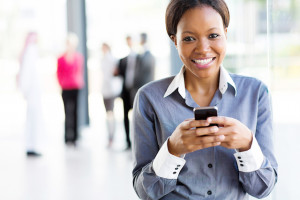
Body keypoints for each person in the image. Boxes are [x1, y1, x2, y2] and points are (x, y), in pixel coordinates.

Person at [132, 0, 278, 199]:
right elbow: (145, 192)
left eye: (213, 35)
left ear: (226, 33)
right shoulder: (149, 99)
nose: (203, 48)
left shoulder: (256, 93)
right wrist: (172, 150)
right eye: (189, 38)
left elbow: (263, 188)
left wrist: (247, 145)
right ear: (175, 40)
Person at [17, 32, 44, 157]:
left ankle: (33, 145)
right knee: (33, 118)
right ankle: (32, 145)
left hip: (33, 91)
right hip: (32, 91)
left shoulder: (31, 51)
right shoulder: (31, 50)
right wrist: (25, 89)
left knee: (34, 118)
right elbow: (27, 73)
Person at [57, 33, 84, 146]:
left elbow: (79, 71)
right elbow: (58, 73)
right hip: (65, 88)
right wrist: (62, 83)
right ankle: (67, 136)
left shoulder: (78, 57)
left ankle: (75, 137)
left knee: (75, 112)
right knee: (67, 112)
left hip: (76, 87)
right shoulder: (61, 58)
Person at [114, 36, 137, 150]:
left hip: (136, 91)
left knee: (137, 117)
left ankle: (136, 143)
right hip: (126, 92)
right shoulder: (123, 60)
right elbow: (117, 73)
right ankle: (128, 142)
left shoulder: (139, 59)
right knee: (125, 117)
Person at [100, 43, 121, 148]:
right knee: (109, 114)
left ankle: (111, 136)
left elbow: (113, 75)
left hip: (110, 90)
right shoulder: (104, 59)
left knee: (110, 114)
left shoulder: (111, 59)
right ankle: (110, 136)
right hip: (106, 90)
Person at [131, 33, 155, 104]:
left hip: (144, 86)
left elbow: (144, 72)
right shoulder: (143, 54)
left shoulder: (146, 55)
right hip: (143, 87)